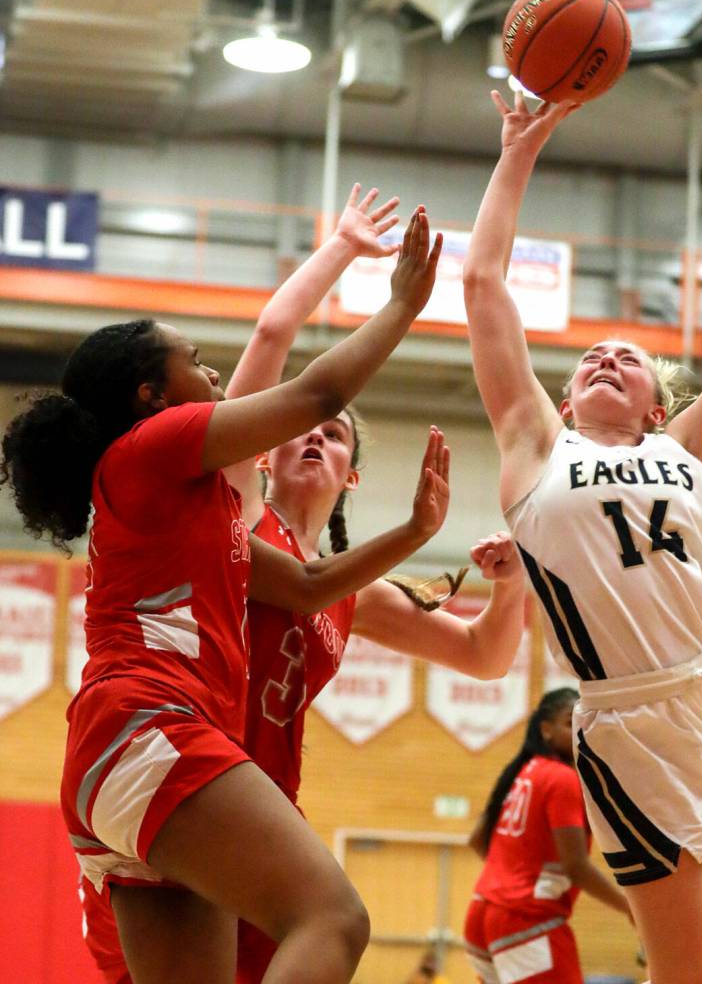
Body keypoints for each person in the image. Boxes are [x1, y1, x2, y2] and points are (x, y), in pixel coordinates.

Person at [72, 186, 527, 984]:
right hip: (163, 740)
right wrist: (368, 273)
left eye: (336, 439)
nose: (313, 435)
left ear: (353, 477)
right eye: (298, 432)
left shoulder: (269, 548)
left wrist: (447, 544)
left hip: (206, 779)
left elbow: (322, 590)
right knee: (336, 918)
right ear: (266, 450)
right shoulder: (220, 489)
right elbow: (292, 358)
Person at [459, 87, 702, 984]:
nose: (605, 357)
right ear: (563, 402)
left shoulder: (684, 449)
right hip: (628, 719)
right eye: (588, 360)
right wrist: (518, 147)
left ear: (654, 404)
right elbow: (484, 286)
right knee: (690, 969)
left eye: (627, 359)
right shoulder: (533, 445)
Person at [1, 207, 445, 984]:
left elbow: (308, 586)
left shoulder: (194, 507)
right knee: (333, 918)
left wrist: (413, 531)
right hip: (151, 725)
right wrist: (403, 303)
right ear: (149, 396)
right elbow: (317, 393)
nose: (213, 376)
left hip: (126, 750)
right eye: (198, 362)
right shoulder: (150, 447)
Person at [464, 688, 631, 984]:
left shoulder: (524, 771)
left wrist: (511, 874)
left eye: (585, 721)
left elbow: (477, 839)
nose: (581, 729)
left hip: (481, 913)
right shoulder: (562, 777)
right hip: (526, 918)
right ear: (545, 730)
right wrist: (628, 907)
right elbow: (575, 867)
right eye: (570, 722)